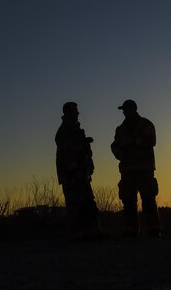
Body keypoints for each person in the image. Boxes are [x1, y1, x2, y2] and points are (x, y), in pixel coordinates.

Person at [111, 99, 161, 237]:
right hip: (127, 170)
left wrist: (133, 142)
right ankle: (130, 231)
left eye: (126, 110)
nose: (124, 113)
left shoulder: (146, 124)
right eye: (123, 111)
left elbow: (152, 141)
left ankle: (154, 230)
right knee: (128, 200)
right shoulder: (120, 129)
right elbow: (114, 146)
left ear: (133, 109)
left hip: (145, 169)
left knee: (148, 198)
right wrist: (120, 153)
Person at [55, 101, 103, 240]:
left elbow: (83, 152)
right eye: (75, 110)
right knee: (75, 205)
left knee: (88, 203)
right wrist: (74, 170)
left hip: (82, 173)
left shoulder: (76, 130)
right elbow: (66, 153)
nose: (78, 113)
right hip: (72, 175)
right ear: (68, 112)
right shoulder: (64, 130)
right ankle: (77, 235)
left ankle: (93, 233)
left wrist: (88, 165)